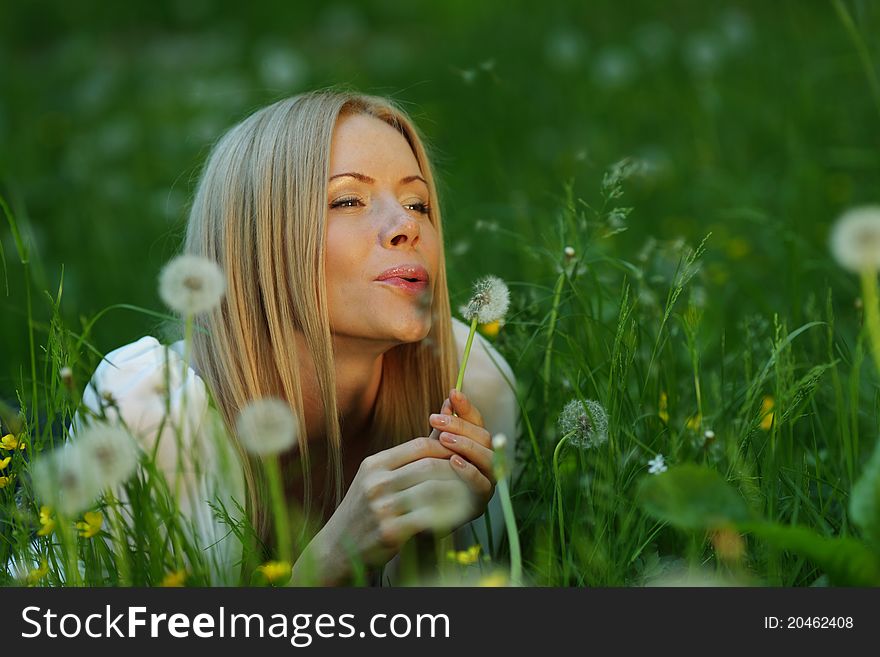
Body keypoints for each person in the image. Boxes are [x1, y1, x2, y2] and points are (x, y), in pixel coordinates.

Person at [73, 88, 519, 586]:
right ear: (259, 239)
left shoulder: (472, 382)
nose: (405, 226)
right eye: (349, 198)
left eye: (418, 202)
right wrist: (325, 568)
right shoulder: (152, 417)